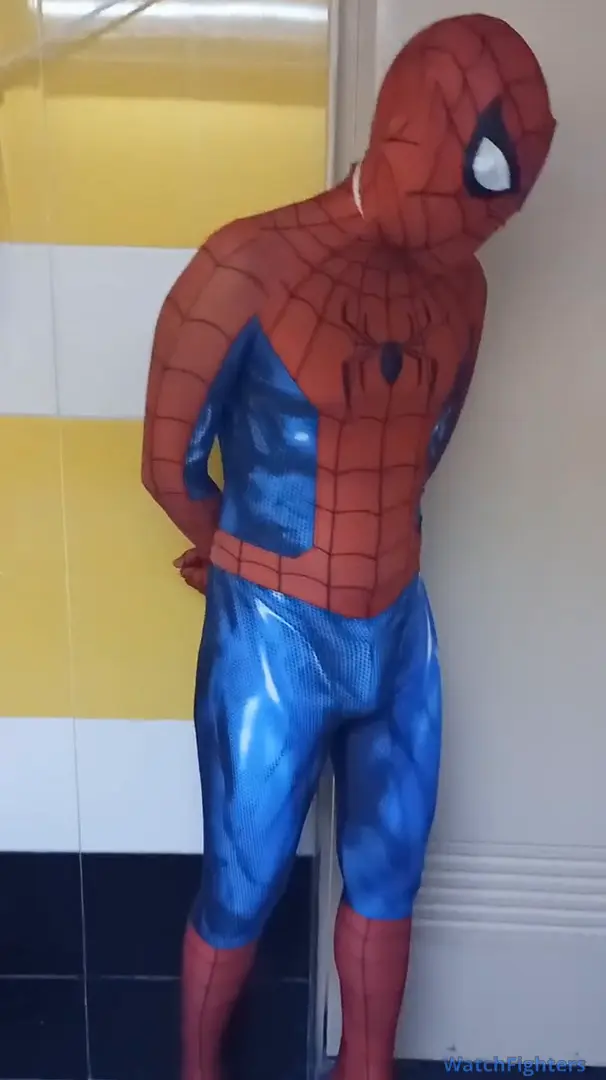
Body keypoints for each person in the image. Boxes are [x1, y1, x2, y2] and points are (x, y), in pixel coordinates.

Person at [142, 13, 556, 1079]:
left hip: (399, 628)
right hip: (272, 633)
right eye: (482, 180)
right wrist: (242, 556)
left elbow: (426, 445)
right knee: (241, 886)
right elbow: (168, 464)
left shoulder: (464, 289)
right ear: (412, 133)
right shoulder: (247, 265)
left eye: (511, 192)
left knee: (387, 878)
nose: (493, 219)